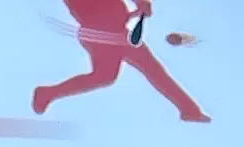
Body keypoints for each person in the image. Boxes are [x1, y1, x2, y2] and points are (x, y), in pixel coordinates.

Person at [33, 0, 210, 121]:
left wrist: (140, 4)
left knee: (138, 72)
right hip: (102, 36)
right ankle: (189, 110)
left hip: (115, 33)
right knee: (139, 72)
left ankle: (189, 110)